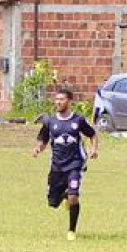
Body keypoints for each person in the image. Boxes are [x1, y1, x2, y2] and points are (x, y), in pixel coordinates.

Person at [33, 86, 98, 241]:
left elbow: (92, 134)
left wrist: (93, 149)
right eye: (57, 99)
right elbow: (43, 140)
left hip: (75, 164)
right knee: (52, 202)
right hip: (57, 166)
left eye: (61, 99)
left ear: (69, 101)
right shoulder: (50, 121)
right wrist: (38, 149)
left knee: (74, 196)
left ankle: (71, 231)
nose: (58, 102)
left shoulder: (78, 120)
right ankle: (65, 197)